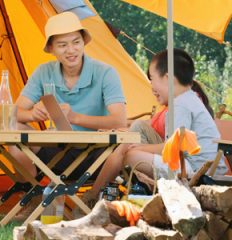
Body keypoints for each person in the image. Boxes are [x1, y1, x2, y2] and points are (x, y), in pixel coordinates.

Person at [85, 48, 224, 202]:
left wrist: (139, 149)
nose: (151, 86)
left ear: (168, 78)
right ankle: (97, 193)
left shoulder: (181, 105)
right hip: (187, 163)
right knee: (137, 128)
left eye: (152, 78)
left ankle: (96, 195)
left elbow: (174, 149)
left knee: (131, 156)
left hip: (196, 171)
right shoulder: (184, 100)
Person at [9, 12, 126, 183]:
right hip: (56, 154)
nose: (71, 50)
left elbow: (119, 121)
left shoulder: (105, 72)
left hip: (96, 155)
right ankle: (31, 191)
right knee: (13, 128)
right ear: (51, 49)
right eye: (63, 45)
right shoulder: (44, 72)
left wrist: (74, 118)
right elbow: (12, 113)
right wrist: (32, 115)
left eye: (76, 42)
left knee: (123, 144)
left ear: (83, 42)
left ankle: (91, 196)